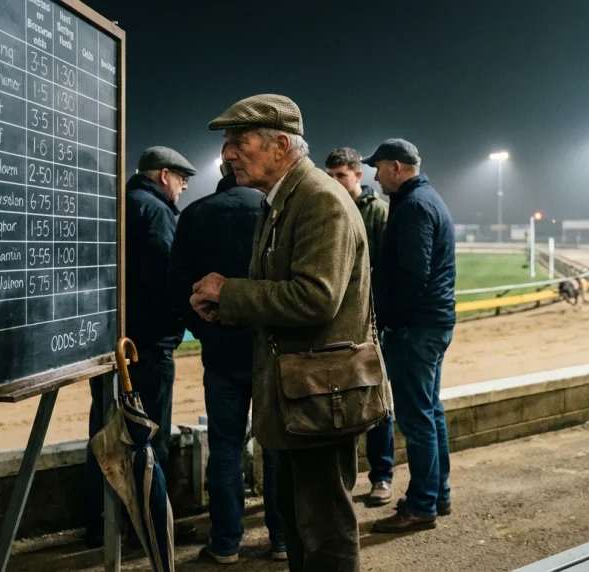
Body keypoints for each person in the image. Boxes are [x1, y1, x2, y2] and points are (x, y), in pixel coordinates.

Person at [189, 94, 376, 572]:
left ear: (280, 145)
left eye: (238, 141)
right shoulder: (282, 200)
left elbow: (316, 298)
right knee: (298, 525)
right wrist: (226, 308)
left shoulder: (318, 200)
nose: (228, 153)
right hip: (299, 399)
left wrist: (230, 292)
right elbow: (279, 289)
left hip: (318, 398)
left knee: (325, 531)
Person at [168, 146, 287, 564]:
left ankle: (225, 543)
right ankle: (281, 539)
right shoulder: (274, 210)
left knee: (224, 450)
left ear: (222, 169)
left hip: (220, 352)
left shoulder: (197, 214)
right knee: (275, 448)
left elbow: (178, 284)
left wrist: (205, 329)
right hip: (269, 349)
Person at [85, 147, 197, 547]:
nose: (184, 186)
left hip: (103, 342)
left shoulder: (112, 204)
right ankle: (148, 527)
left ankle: (100, 524)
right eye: (182, 178)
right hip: (144, 346)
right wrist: (185, 317)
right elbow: (164, 276)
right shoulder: (154, 212)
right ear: (163, 175)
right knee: (148, 438)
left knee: (104, 433)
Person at [364, 139, 457, 533]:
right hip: (431, 323)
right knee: (430, 412)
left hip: (416, 327)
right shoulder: (426, 199)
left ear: (397, 168)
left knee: (417, 418)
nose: (375, 174)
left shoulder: (415, 206)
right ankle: (437, 494)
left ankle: (421, 505)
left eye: (379, 167)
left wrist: (390, 320)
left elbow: (412, 276)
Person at [324, 147, 395, 506]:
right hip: (335, 327)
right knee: (342, 403)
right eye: (331, 175)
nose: (335, 181)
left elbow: (384, 270)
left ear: (358, 176)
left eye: (341, 175)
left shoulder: (378, 212)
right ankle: (344, 480)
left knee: (378, 401)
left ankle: (382, 476)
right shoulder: (325, 207)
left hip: (372, 325)